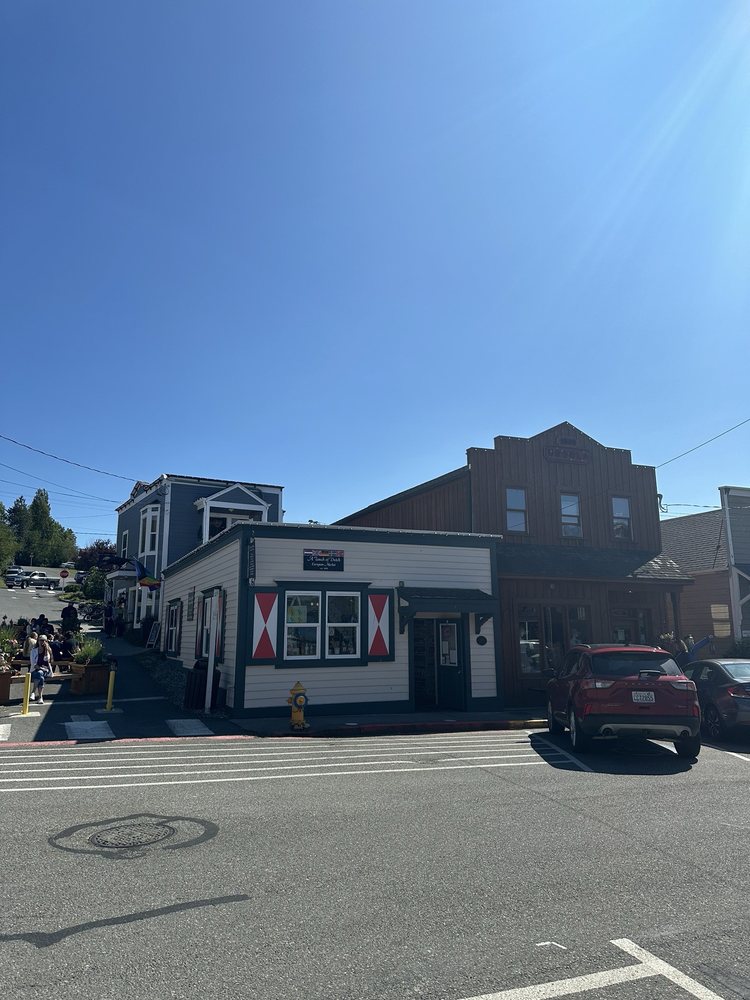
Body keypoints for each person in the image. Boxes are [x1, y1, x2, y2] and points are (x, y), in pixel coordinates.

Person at [31, 635, 53, 704]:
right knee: (40, 675)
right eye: (40, 640)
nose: (42, 642)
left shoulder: (48, 650)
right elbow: (33, 664)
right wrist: (41, 668)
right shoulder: (34, 650)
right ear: (38, 641)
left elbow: (47, 661)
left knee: (40, 674)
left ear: (46, 641)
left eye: (44, 640)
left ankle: (33, 692)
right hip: (35, 670)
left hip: (46, 670)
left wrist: (46, 650)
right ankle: (40, 697)